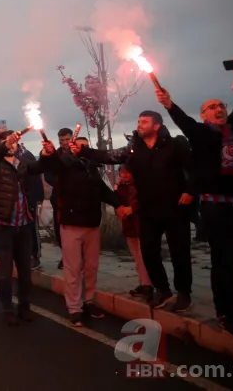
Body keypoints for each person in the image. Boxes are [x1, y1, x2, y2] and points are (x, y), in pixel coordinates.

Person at [156, 62, 233, 336]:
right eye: (212, 107)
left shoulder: (231, 131)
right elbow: (183, 121)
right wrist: (169, 104)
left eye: (220, 105)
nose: (219, 109)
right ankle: (224, 311)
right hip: (216, 208)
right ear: (203, 116)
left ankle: (232, 306)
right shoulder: (200, 134)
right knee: (222, 260)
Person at [76, 110, 194, 312]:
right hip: (148, 209)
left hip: (175, 209)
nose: (139, 125)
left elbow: (193, 168)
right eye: (139, 121)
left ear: (156, 126)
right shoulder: (134, 149)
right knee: (148, 251)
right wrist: (84, 151)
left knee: (179, 252)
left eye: (144, 122)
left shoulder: (175, 145)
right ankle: (162, 289)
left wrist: (190, 191)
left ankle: (184, 293)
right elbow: (109, 156)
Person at [42, 137, 126, 327]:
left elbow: (103, 191)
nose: (83, 149)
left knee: (91, 267)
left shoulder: (91, 168)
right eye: (79, 145)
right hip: (71, 224)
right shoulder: (65, 166)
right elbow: (53, 164)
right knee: (73, 269)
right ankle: (74, 308)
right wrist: (49, 152)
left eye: (86, 146)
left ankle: (89, 301)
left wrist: (120, 205)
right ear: (72, 147)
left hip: (91, 224)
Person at [0, 131, 51, 325]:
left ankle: (24, 307)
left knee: (25, 271)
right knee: (5, 272)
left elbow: (39, 167)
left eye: (13, 142)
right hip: (2, 227)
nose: (11, 144)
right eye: (6, 143)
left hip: (23, 225)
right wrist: (4, 145)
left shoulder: (22, 163)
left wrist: (47, 155)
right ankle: (7, 308)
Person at [114, 165, 152, 298]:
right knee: (137, 256)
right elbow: (118, 202)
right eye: (121, 173)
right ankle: (143, 282)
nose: (124, 176)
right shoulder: (121, 187)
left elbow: (143, 201)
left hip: (142, 224)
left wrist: (132, 208)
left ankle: (150, 284)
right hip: (129, 225)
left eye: (127, 173)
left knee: (145, 256)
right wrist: (119, 210)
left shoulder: (142, 185)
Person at [43, 127, 74, 269]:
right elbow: (48, 174)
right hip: (59, 198)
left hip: (75, 199)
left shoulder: (78, 153)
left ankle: (77, 257)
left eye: (67, 139)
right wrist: (59, 182)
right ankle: (66, 255)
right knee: (59, 229)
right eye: (62, 140)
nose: (65, 142)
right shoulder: (54, 155)